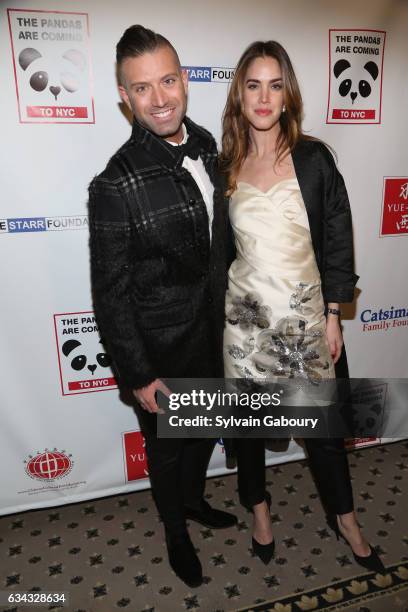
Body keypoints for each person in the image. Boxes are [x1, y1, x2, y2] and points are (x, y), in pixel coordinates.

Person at [221, 40, 385, 571]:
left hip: (305, 322)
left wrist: (334, 314)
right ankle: (260, 511)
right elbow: (218, 252)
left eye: (274, 85)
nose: (263, 97)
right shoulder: (224, 165)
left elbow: (338, 238)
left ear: (287, 94)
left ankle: (346, 519)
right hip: (245, 325)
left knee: (325, 432)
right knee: (248, 432)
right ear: (239, 94)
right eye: (253, 85)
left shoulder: (314, 160)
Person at [88, 25, 237, 588]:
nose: (160, 98)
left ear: (184, 79)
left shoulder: (207, 147)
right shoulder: (114, 184)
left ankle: (195, 502)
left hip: (218, 336)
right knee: (169, 451)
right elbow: (111, 293)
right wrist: (139, 374)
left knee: (204, 435)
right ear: (125, 97)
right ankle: (176, 531)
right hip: (164, 352)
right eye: (143, 88)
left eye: (168, 80)